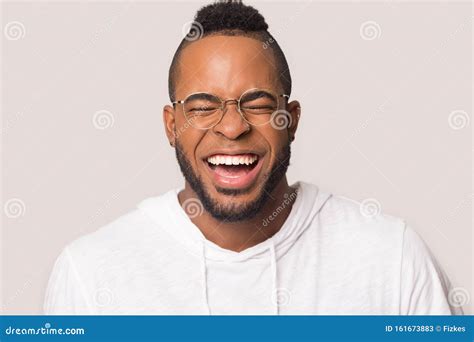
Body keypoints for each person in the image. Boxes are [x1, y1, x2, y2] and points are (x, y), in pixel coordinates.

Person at [44, 0, 462, 315]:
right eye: (203, 106)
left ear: (291, 120)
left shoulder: (392, 257)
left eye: (258, 104)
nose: (231, 128)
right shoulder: (91, 273)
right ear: (172, 125)